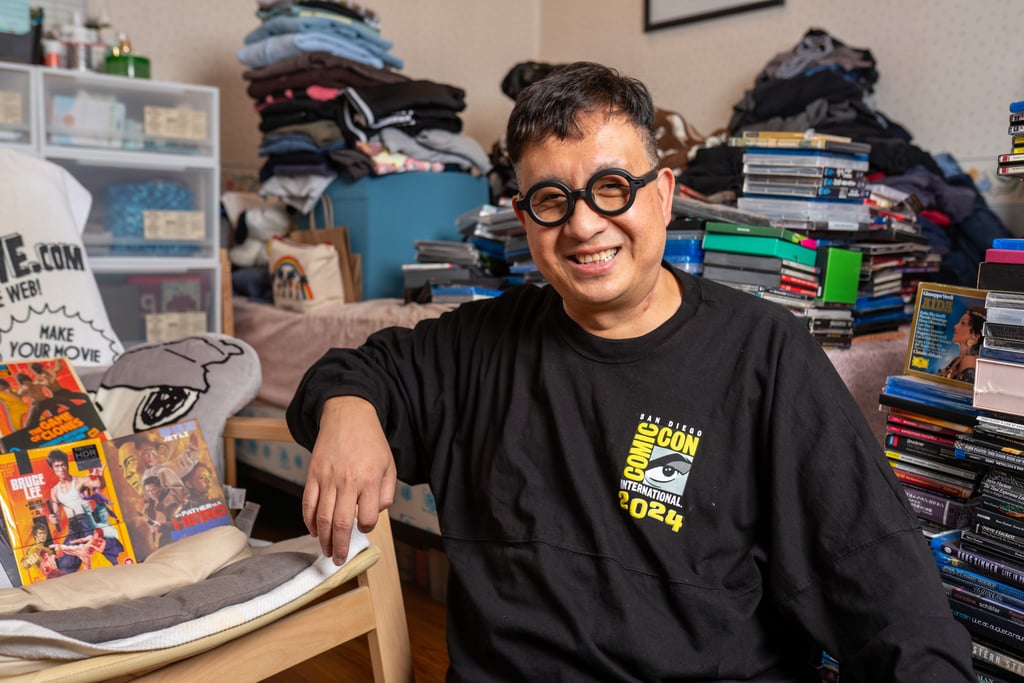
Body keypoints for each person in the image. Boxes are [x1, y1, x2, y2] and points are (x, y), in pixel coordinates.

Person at [286, 62, 975, 681]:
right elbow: (356, 369)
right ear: (523, 218)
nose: (584, 226)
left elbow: (890, 596)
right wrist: (346, 405)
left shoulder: (765, 352)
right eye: (552, 201)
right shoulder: (477, 343)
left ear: (664, 194)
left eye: (612, 188)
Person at [938, 306, 986, 383]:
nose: (955, 326)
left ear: (975, 336)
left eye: (963, 323)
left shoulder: (969, 369)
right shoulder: (957, 360)